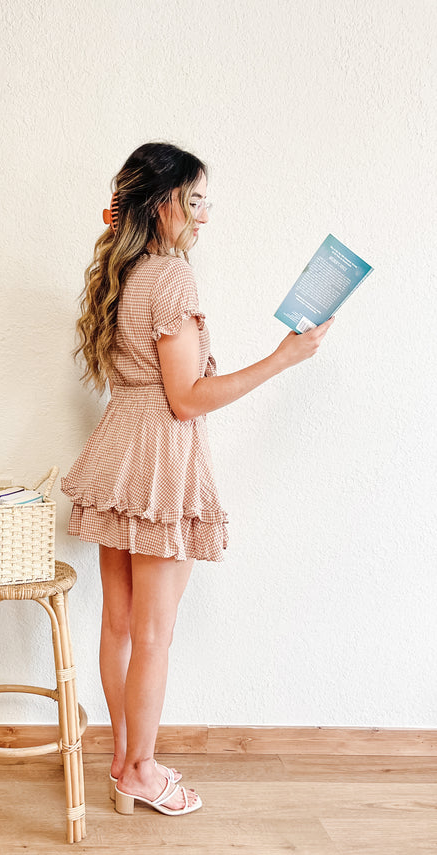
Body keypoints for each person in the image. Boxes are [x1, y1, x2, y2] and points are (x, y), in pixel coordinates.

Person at [61, 142, 333, 816]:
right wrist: (283, 358)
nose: (203, 215)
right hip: (158, 462)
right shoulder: (174, 280)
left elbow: (156, 385)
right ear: (162, 204)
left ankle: (126, 759)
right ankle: (141, 770)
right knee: (153, 633)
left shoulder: (121, 274)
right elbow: (184, 399)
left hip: (119, 452)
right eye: (195, 200)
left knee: (120, 626)